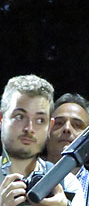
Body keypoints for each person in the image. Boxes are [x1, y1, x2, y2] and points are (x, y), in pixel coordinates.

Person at [0, 75, 84, 206]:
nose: (29, 128)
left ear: (49, 127)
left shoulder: (67, 183)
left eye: (40, 120)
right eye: (19, 117)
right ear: (2, 119)